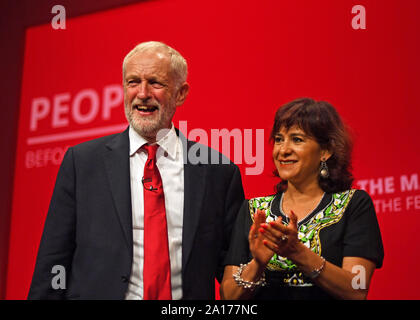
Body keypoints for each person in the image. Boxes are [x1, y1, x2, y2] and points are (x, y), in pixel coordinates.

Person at [28, 41, 244, 300]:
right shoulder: (82, 163)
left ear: (181, 93)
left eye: (155, 82)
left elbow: (234, 273)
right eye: (133, 82)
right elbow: (54, 261)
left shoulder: (218, 172)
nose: (142, 93)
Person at [220, 98, 384, 300]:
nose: (283, 150)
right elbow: (228, 296)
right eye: (279, 139)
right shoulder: (254, 210)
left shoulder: (353, 205)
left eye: (297, 139)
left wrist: (297, 252)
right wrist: (258, 265)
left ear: (326, 151)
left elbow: (357, 289)